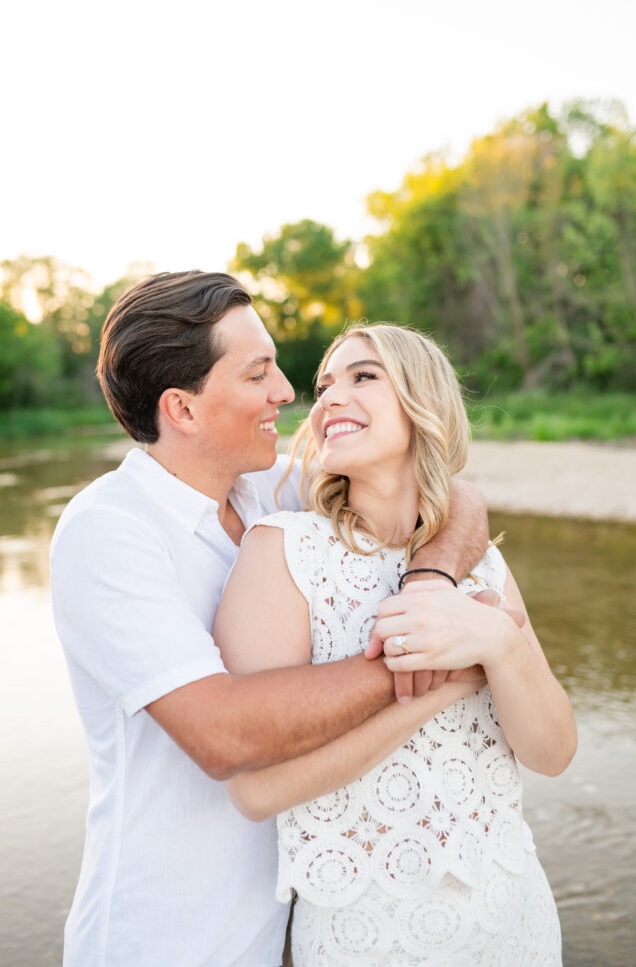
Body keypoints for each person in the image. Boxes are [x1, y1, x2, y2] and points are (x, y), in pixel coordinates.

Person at [50, 271, 493, 967]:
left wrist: (430, 581)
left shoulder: (266, 488)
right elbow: (223, 734)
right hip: (163, 938)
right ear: (183, 409)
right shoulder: (106, 532)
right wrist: (425, 657)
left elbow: (451, 494)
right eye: (259, 374)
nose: (288, 393)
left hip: (289, 923)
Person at [213, 323, 577, 966]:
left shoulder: (483, 566)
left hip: (512, 915)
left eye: (363, 376)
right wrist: (448, 686)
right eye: (325, 386)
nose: (328, 398)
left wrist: (501, 643)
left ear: (424, 403)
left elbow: (551, 754)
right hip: (369, 932)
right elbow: (255, 792)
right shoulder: (283, 551)